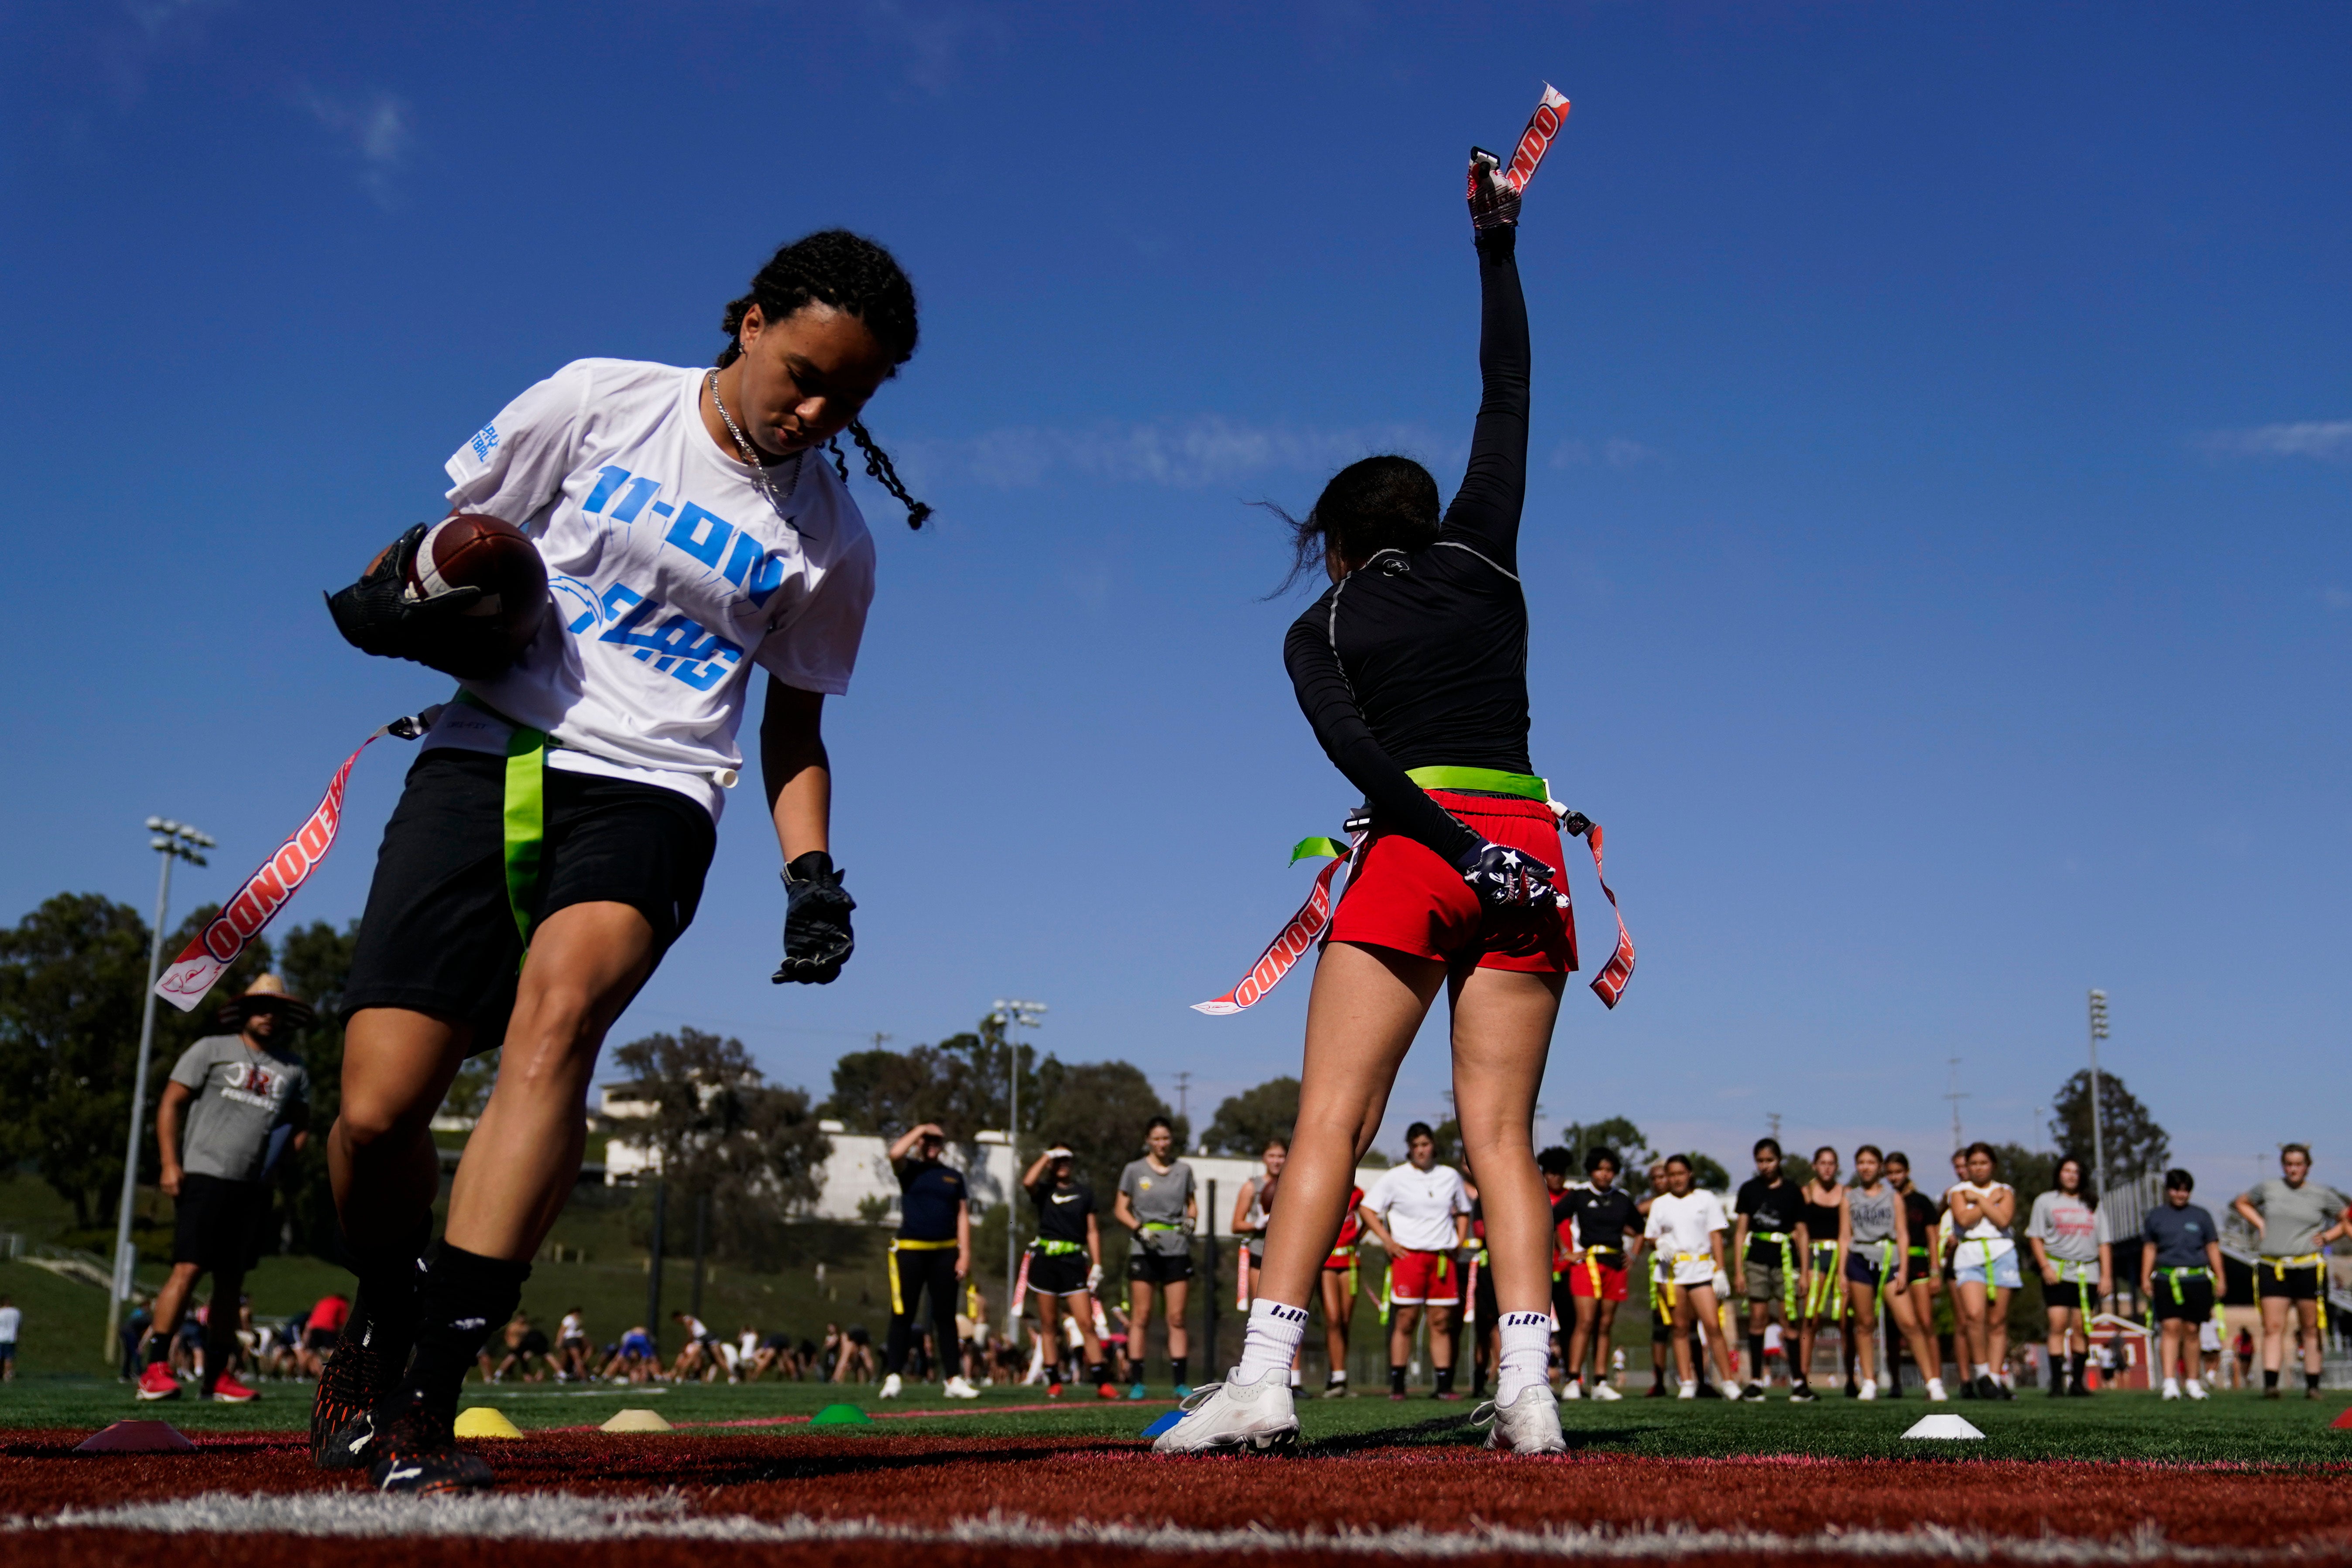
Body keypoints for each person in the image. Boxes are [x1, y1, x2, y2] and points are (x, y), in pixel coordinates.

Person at [312, 231, 927, 1493]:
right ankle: (384, 1310)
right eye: (805, 373)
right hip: (490, 751)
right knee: (375, 1112)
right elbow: (449, 548)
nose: (817, 412)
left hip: (658, 788)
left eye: (849, 399)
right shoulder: (597, 400)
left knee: (556, 1028)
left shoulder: (833, 542)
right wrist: (394, 599)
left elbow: (795, 725)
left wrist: (812, 875)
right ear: (749, 320)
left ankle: (430, 1393)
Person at [1153, 142, 1572, 1460]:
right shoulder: (1483, 552)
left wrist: (1440, 844)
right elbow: (1505, 388)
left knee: (1329, 1123)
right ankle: (1529, 1398)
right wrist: (1493, 243)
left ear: (1331, 539)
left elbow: (1355, 759)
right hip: (1527, 845)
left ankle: (1265, 1383)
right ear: (1426, 515)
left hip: (1420, 843)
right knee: (1501, 1137)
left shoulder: (1318, 626)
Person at [137, 974, 313, 1405]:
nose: (268, 1016)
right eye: (260, 1007)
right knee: (189, 1268)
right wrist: (169, 1163)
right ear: (244, 1011)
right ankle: (155, 1368)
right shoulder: (210, 1049)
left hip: (252, 1186)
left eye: (276, 1010)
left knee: (231, 1283)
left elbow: (301, 1124)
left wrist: (282, 1158)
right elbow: (170, 1101)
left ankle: (217, 1376)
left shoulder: (293, 1069)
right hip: (203, 1174)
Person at [1355, 1125, 1474, 1402]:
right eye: (1416, 1145)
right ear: (1410, 1148)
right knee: (1406, 1319)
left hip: (1441, 1258)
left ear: (1434, 1146)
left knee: (1441, 1321)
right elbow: (1367, 1208)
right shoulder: (1395, 1177)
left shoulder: (1449, 1176)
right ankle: (1398, 1385)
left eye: (1426, 1144)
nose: (1422, 1150)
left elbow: (1464, 1211)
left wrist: (1458, 1240)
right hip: (1408, 1257)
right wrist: (1387, 1240)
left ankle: (1443, 1386)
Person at [2232, 1143, 2351, 1400]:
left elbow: (2347, 1218)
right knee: (2273, 1326)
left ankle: (2313, 1386)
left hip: (2308, 1266)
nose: (2293, 1168)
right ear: (2283, 1165)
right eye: (2289, 1164)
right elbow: (2241, 1203)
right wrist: (2260, 1223)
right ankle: (2272, 1385)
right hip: (2273, 1266)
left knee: (2311, 1326)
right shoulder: (2269, 1188)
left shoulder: (2322, 1194)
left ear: (2308, 1166)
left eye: (2299, 1164)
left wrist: (2329, 1236)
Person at [878, 1122, 980, 1401]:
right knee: (903, 1314)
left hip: (945, 1253)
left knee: (946, 1318)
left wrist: (966, 1254)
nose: (933, 1144)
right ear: (920, 1142)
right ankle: (893, 1377)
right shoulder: (909, 1169)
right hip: (911, 1251)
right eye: (928, 1140)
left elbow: (962, 1216)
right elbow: (895, 1153)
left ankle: (953, 1379)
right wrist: (921, 1129)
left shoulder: (953, 1177)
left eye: (938, 1140)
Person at [1115, 1115, 1198, 1399]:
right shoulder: (1134, 1170)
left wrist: (1191, 1220)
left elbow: (1192, 1204)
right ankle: (1137, 1381)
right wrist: (1140, 1228)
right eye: (1157, 1138)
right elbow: (1120, 1209)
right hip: (1144, 1249)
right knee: (1141, 1316)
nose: (1162, 1143)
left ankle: (1180, 1382)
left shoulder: (1184, 1169)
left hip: (1177, 1248)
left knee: (1176, 1317)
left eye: (1166, 1138)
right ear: (1148, 1140)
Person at [1645, 1156, 1739, 1398]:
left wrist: (1720, 1270)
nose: (1676, 1179)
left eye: (1680, 1173)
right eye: (1671, 1175)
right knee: (1680, 1328)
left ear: (1690, 1174)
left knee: (1712, 1325)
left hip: (1701, 1270)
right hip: (1672, 1274)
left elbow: (1716, 1236)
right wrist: (1660, 1242)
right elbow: (1651, 1236)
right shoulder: (1660, 1204)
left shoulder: (1706, 1199)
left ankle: (1728, 1382)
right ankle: (1687, 1382)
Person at [1024, 1146, 1113, 1398]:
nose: (1063, 1164)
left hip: (1073, 1262)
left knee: (1086, 1322)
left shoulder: (1084, 1193)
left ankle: (1102, 1382)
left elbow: (1092, 1231)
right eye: (1058, 1160)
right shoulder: (1043, 1191)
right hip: (1045, 1262)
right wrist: (1046, 1156)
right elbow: (1028, 1181)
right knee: (1050, 1325)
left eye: (1067, 1160)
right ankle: (1053, 1381)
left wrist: (1097, 1263)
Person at [1555, 1146, 1643, 1402]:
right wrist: (1565, 1252)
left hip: (1615, 1265)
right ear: (1591, 1171)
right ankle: (1573, 1379)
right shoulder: (1579, 1196)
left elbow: (1640, 1229)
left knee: (1605, 1325)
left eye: (1609, 1170)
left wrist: (1634, 1255)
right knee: (1585, 1322)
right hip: (1587, 1265)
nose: (1605, 1175)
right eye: (1599, 1169)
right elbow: (1552, 1218)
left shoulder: (1622, 1198)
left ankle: (1601, 1382)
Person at [1731, 1138, 1814, 1401]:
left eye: (1770, 1160)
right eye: (1760, 1161)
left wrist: (1805, 1271)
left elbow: (1802, 1232)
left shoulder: (1792, 1191)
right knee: (1757, 1318)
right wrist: (1739, 1271)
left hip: (1785, 1261)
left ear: (1779, 1161)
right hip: (1756, 1259)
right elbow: (1741, 1231)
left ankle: (1799, 1382)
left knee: (1788, 1320)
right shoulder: (1749, 1190)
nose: (1765, 1166)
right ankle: (1756, 1382)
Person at [2024, 1155, 2108, 1398]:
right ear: (2058, 1174)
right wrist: (2045, 1267)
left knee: (2082, 1327)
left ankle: (2078, 1383)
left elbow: (2104, 1241)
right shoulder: (2046, 1202)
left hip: (2087, 1272)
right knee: (2058, 1324)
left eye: (2076, 1171)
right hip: (2058, 1271)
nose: (2071, 1175)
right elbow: (2035, 1236)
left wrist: (2107, 1275)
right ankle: (2057, 1383)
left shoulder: (2092, 1203)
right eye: (2066, 1170)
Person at [2142, 1168, 2225, 1401]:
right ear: (2169, 1190)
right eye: (2177, 1189)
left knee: (2192, 1331)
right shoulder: (2156, 1216)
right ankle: (2169, 1383)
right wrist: (2145, 1277)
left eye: (2186, 1190)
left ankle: (2193, 1382)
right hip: (2167, 1279)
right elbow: (2150, 1248)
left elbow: (2212, 1247)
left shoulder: (2201, 1216)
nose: (2181, 1194)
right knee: (2170, 1329)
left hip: (2197, 1279)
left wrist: (2221, 1277)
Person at [1947, 1142, 2018, 1400]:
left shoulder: (2006, 1190)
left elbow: (2003, 1220)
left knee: (1998, 1320)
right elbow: (1964, 1220)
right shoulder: (1958, 1192)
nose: (1978, 1168)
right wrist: (1988, 1201)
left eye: (1983, 1163)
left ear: (1993, 1165)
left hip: (2002, 1254)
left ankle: (1996, 1378)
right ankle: (1982, 1373)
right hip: (1969, 1256)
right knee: (1974, 1315)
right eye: (1973, 1163)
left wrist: (1978, 1201)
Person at [1882, 1153, 1948, 1401]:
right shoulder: (1886, 1201)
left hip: (1919, 1263)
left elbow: (1933, 1236)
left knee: (1925, 1323)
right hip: (1893, 1264)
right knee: (1895, 1328)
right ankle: (1895, 1384)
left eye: (1898, 1172)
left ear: (1907, 1172)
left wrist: (1934, 1270)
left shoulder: (1921, 1201)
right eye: (1889, 1173)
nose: (1894, 1177)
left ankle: (1935, 1381)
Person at [1839, 1146, 1901, 1402]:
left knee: (1908, 1322)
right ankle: (1869, 1382)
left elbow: (1903, 1234)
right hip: (1859, 1260)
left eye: (1871, 1162)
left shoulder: (1893, 1196)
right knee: (1864, 1324)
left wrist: (1904, 1268)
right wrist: (1842, 1273)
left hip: (1889, 1260)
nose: (1866, 1167)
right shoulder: (1850, 1197)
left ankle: (1933, 1382)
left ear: (1880, 1166)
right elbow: (1845, 1236)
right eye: (1861, 1162)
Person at [1232, 1139, 1292, 1381]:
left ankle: (1292, 1377)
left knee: (1290, 1314)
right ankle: (1256, 1373)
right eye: (1272, 1156)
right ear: (1263, 1158)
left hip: (1287, 1253)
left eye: (1281, 1156)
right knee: (1262, 1313)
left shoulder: (1294, 1183)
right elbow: (1236, 1224)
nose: (1276, 1161)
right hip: (1260, 1252)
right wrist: (1256, 1224)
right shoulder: (1253, 1187)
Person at [1797, 1146, 1850, 1395]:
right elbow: (1800, 1232)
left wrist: (1843, 1270)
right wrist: (1804, 1269)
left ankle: (1853, 1379)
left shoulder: (1847, 1193)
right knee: (1811, 1319)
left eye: (1832, 1163)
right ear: (1814, 1166)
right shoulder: (1805, 1193)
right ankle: (1802, 1379)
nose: (1827, 1167)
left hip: (1841, 1258)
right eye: (1823, 1163)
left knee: (1845, 1320)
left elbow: (1847, 1232)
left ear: (1837, 1167)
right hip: (1815, 1258)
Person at [1318, 1177, 1368, 1398]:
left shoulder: (1357, 1194)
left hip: (1349, 1262)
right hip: (1327, 1262)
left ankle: (1339, 1375)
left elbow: (1370, 1215)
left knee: (1345, 1321)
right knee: (1333, 1318)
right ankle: (1336, 1377)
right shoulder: (1324, 1188)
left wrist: (1358, 1237)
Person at [0, 1294, 17, 1381]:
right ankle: (7, 1375)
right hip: (11, 1338)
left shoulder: (1, 1313)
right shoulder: (16, 1312)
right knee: (9, 1358)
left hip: (1, 1338)